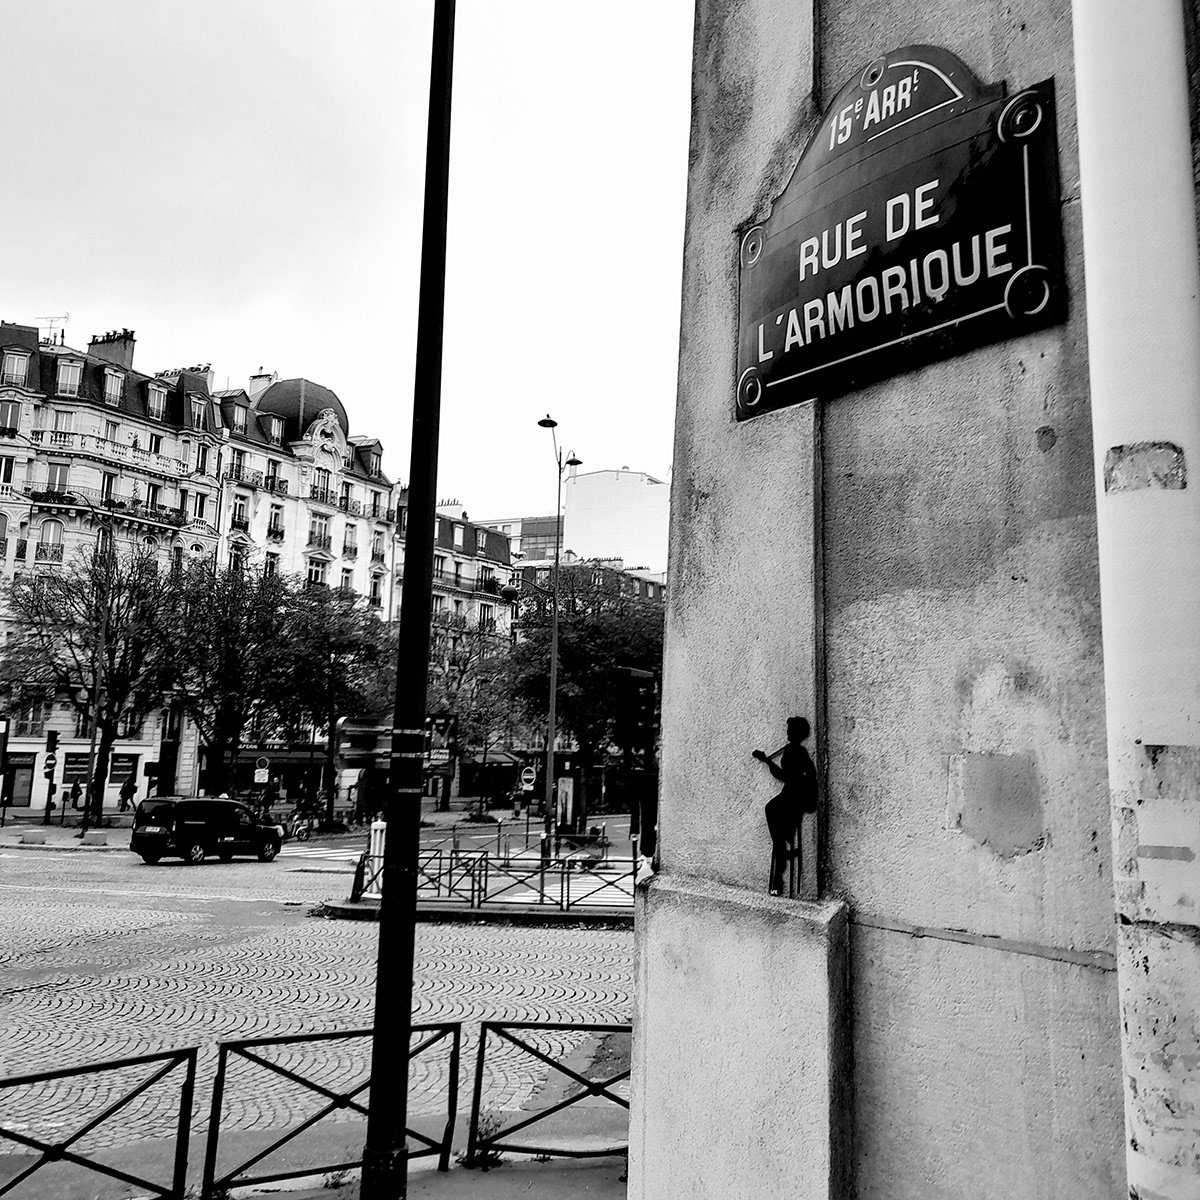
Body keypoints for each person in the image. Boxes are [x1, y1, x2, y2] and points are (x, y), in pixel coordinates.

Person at [753, 716, 818, 895]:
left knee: (772, 808)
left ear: (798, 732)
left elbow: (810, 774)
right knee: (772, 809)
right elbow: (782, 775)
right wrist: (767, 761)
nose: (787, 732)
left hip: (795, 796)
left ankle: (779, 860)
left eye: (790, 729)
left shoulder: (800, 752)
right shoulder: (789, 749)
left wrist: (798, 782)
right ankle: (780, 850)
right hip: (788, 794)